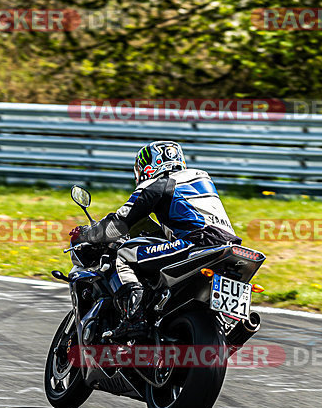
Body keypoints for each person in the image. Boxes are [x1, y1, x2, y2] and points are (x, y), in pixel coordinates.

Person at [70, 140, 241, 338]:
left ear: (148, 167)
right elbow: (183, 220)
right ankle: (231, 330)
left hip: (197, 243)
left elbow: (119, 224)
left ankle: (133, 318)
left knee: (124, 255)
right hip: (229, 244)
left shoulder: (157, 184)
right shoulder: (201, 179)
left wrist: (88, 234)